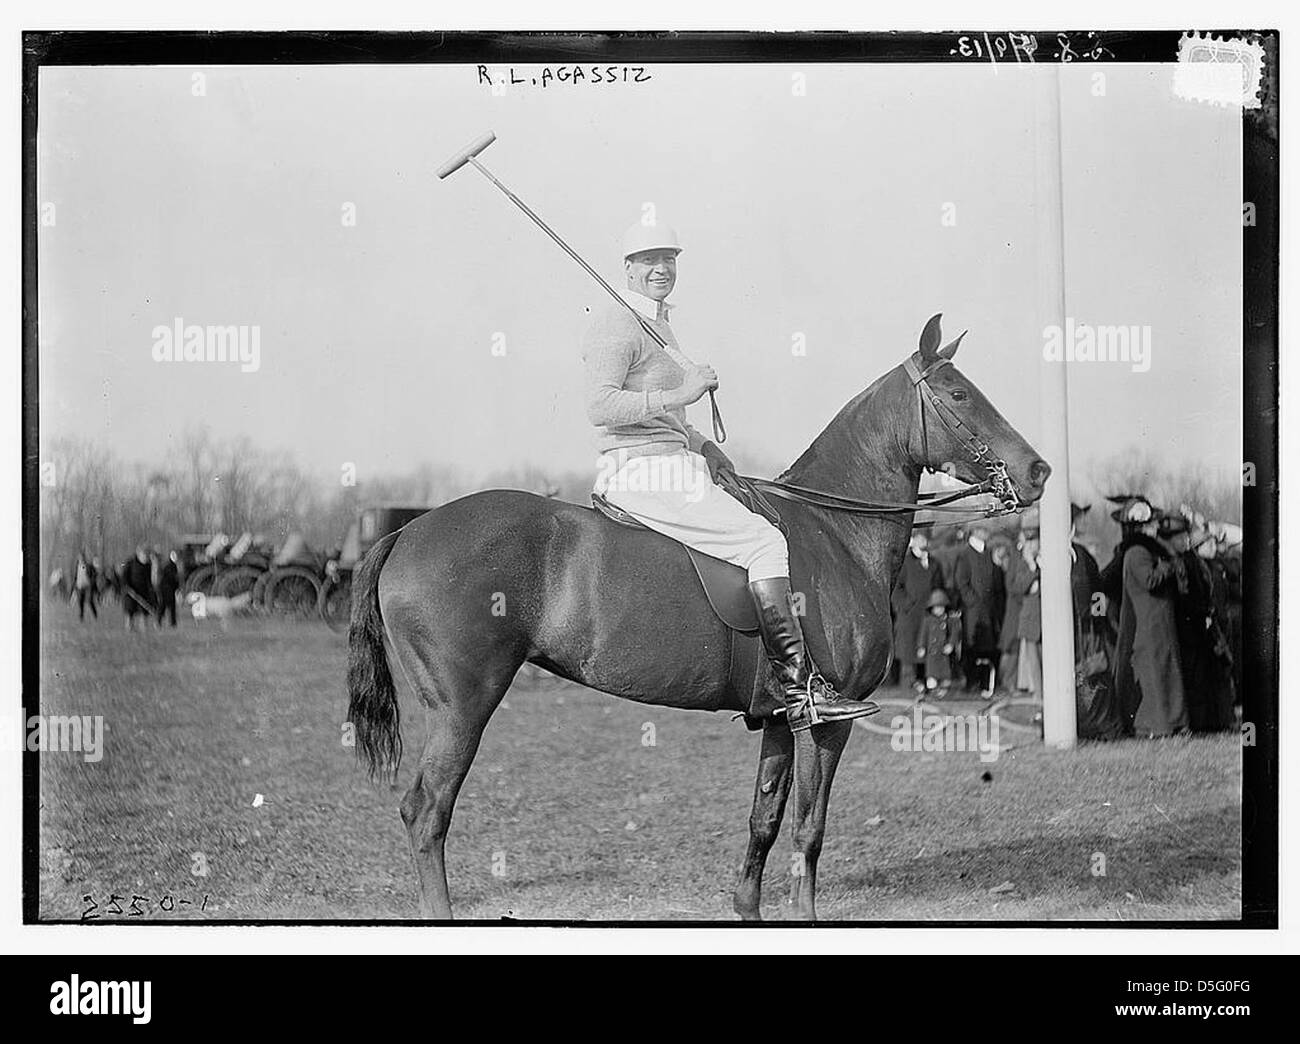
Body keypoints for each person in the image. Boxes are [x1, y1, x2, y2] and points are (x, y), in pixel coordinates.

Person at [581, 220, 879, 731]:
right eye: (649, 260)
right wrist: (683, 393)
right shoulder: (617, 322)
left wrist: (703, 446)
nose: (661, 268)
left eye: (669, 258)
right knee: (765, 542)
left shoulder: (659, 326)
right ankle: (797, 687)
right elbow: (600, 404)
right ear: (627, 268)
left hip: (671, 460)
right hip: (637, 469)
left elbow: (664, 419)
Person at [1113, 503, 1187, 737]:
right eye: (1151, 523)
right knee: (1155, 675)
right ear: (1141, 527)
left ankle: (1171, 721)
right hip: (1149, 624)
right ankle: (1157, 724)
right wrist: (1167, 567)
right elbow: (1149, 580)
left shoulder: (1147, 550)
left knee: (1166, 673)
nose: (1156, 527)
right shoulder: (1136, 553)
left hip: (1158, 622)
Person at [1070, 503, 1124, 740]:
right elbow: (1092, 595)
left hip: (1079, 630)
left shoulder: (1074, 554)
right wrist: (1097, 617)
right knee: (1090, 678)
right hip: (1084, 633)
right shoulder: (1079, 556)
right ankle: (1096, 726)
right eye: (1080, 518)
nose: (1084, 522)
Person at [1176, 518, 1236, 732]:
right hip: (1206, 629)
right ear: (1198, 548)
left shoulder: (1215, 566)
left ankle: (1221, 720)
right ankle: (1212, 722)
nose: (1213, 546)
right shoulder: (1197, 569)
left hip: (1217, 627)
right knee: (1207, 677)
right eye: (1208, 543)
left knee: (1220, 674)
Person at [952, 522, 1004, 695]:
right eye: (983, 529)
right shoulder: (965, 554)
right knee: (971, 645)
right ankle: (970, 681)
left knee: (987, 647)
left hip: (988, 609)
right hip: (973, 610)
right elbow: (961, 581)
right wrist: (972, 601)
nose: (987, 532)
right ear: (975, 532)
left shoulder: (988, 552)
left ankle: (985, 682)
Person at [890, 531, 945, 692]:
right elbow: (895, 589)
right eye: (920, 538)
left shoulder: (934, 563)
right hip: (909, 615)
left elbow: (939, 587)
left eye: (925, 539)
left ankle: (927, 683)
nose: (923, 542)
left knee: (926, 648)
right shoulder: (904, 563)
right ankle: (908, 683)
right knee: (908, 649)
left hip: (928, 615)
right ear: (912, 541)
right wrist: (908, 605)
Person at [1008, 527, 1042, 699]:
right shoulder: (1024, 563)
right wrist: (1032, 567)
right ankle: (1039, 703)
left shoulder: (1050, 558)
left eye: (1034, 540)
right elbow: (1018, 588)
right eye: (1028, 541)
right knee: (1035, 669)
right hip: (1030, 623)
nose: (1031, 545)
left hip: (1046, 622)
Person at [916, 589, 961, 696]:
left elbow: (954, 633)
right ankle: (932, 690)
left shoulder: (949, 620)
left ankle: (943, 690)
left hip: (943, 653)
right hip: (932, 654)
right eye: (936, 607)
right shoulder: (928, 620)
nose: (939, 610)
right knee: (931, 674)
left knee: (945, 673)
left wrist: (951, 644)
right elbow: (923, 634)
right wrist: (921, 647)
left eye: (941, 607)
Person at [121, 544, 155, 632]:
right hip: (130, 591)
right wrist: (126, 586)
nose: (146, 557)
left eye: (147, 555)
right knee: (130, 610)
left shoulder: (148, 565)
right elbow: (124, 576)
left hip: (143, 591)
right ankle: (129, 627)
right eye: (144, 555)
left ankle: (143, 627)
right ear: (139, 554)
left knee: (144, 611)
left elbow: (149, 580)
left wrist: (150, 590)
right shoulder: (130, 563)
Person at [156, 549, 181, 628]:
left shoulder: (174, 566)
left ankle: (173, 623)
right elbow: (168, 579)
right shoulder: (168, 566)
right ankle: (158, 622)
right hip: (165, 589)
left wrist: (177, 587)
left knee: (172, 607)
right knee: (163, 606)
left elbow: (175, 580)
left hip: (171, 589)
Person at [73, 551, 98, 621]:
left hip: (88, 586)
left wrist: (91, 582)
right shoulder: (77, 566)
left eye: (82, 558)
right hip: (80, 586)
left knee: (90, 600)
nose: (81, 559)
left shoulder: (88, 565)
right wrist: (75, 585)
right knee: (80, 602)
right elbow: (75, 576)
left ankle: (95, 614)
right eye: (79, 558)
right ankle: (81, 617)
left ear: (84, 558)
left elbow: (94, 574)